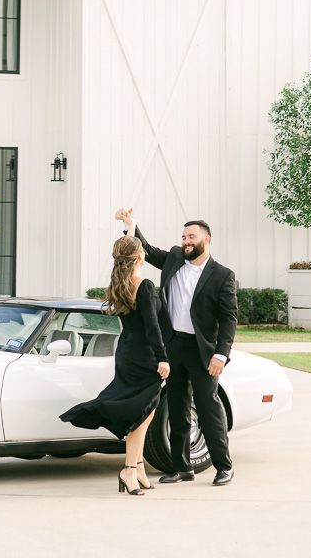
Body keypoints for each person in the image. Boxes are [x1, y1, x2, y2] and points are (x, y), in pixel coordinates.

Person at [116, 208, 238, 487]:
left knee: (208, 408)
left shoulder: (222, 275)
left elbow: (229, 318)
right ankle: (182, 467)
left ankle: (224, 466)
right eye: (183, 236)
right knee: (177, 407)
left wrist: (221, 354)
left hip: (202, 351)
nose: (185, 241)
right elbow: (144, 248)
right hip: (173, 347)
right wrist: (131, 225)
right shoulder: (173, 258)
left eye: (191, 236)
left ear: (206, 240)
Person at [59, 232, 170, 496]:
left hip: (127, 352)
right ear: (140, 256)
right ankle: (128, 470)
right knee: (141, 416)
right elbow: (152, 328)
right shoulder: (143, 284)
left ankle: (139, 467)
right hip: (144, 355)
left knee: (147, 412)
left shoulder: (119, 283)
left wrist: (130, 227)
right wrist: (163, 357)